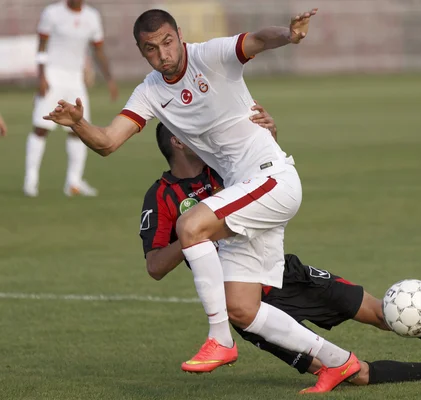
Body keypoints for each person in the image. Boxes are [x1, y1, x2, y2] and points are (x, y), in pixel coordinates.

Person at [43, 8, 364, 393]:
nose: (163, 54)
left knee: (190, 225)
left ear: (179, 35)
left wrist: (290, 35)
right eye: (151, 49)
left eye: (167, 42)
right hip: (245, 192)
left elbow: (257, 40)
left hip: (271, 177)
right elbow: (108, 142)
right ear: (141, 51)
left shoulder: (209, 55)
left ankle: (221, 340)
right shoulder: (148, 91)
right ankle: (338, 362)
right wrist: (78, 123)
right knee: (243, 308)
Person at [139, 113, 421, 386]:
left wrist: (270, 135)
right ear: (177, 138)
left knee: (385, 313)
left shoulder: (223, 167)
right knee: (354, 375)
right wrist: (193, 236)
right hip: (246, 309)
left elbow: (267, 168)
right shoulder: (161, 197)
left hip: (284, 275)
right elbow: (155, 266)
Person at [25, 0, 118, 197]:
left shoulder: (92, 16)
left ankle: (73, 183)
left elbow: (98, 50)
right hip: (52, 77)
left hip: (76, 81)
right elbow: (41, 47)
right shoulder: (52, 13)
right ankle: (31, 180)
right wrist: (41, 77)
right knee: (41, 128)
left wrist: (109, 79)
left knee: (79, 129)